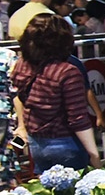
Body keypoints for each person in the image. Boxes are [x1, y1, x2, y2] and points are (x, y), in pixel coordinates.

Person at [11, 15, 98, 171]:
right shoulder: (67, 71)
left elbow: (18, 98)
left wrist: (22, 126)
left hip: (36, 143)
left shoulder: (21, 65)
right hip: (65, 143)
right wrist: (94, 155)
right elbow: (78, 119)